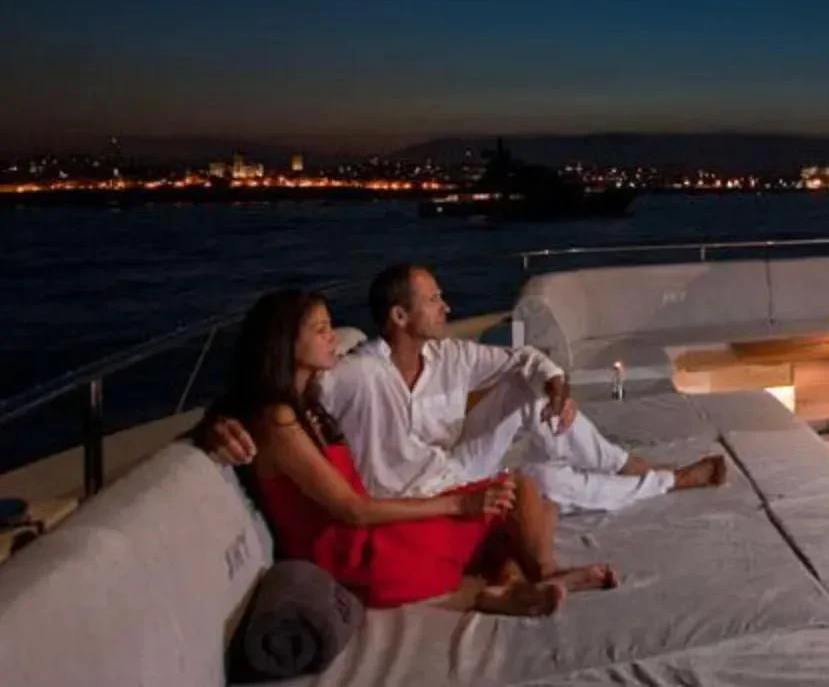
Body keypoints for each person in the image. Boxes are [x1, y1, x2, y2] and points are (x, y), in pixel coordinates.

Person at [216, 289, 615, 614]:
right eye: (320, 330)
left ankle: (511, 587)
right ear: (285, 343)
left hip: (367, 536)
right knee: (515, 501)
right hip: (359, 556)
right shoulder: (279, 420)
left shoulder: (309, 401)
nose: (333, 337)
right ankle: (539, 574)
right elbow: (351, 509)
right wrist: (457, 505)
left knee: (522, 498)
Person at [206, 263, 724, 514]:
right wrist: (217, 422)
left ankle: (621, 464)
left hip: (452, 467)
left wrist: (557, 384)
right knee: (541, 479)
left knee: (531, 387)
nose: (446, 308)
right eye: (433, 300)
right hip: (426, 491)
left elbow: (523, 358)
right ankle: (666, 483)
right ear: (400, 316)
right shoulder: (354, 373)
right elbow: (268, 391)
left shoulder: (448, 355)